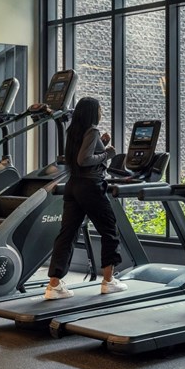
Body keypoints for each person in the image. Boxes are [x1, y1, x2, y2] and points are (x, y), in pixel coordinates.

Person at [45, 97, 128, 299]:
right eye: (99, 109)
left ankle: (54, 285)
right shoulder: (92, 130)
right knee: (109, 230)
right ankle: (108, 280)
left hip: (73, 186)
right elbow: (84, 160)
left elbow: (79, 155)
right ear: (92, 112)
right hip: (91, 186)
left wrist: (102, 144)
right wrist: (107, 153)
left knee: (67, 234)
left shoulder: (74, 131)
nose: (101, 112)